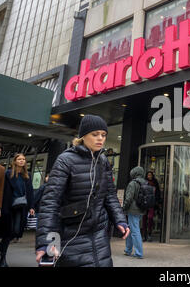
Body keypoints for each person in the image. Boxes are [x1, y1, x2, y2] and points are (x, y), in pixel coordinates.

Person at [35, 114, 130, 267]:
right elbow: (50, 203)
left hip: (99, 235)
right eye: (95, 134)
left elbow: (110, 195)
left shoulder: (103, 161)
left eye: (104, 135)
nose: (100, 138)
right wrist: (46, 241)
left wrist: (120, 219)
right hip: (70, 237)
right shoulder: (65, 160)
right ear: (83, 136)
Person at [0, 154, 35, 267]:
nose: (22, 161)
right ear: (15, 161)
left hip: (21, 207)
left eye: (23, 159)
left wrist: (31, 206)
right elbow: (3, 190)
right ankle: (3, 258)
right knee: (8, 231)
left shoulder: (27, 175)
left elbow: (30, 192)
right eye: (19, 159)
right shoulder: (8, 174)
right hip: (9, 207)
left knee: (16, 232)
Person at [123, 166, 147, 259]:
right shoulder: (145, 182)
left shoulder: (133, 183)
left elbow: (129, 198)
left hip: (133, 210)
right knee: (131, 229)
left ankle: (139, 253)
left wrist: (124, 208)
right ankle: (128, 250)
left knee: (135, 231)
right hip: (141, 209)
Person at [142, 171, 160, 242]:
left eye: (150, 175)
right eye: (148, 175)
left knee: (150, 218)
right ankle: (144, 235)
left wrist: (157, 201)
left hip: (152, 203)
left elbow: (158, 192)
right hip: (145, 202)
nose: (149, 176)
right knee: (144, 218)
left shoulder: (155, 182)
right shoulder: (144, 182)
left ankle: (149, 233)